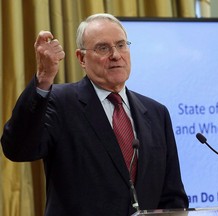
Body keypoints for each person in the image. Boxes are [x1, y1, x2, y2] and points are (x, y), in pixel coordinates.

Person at [1, 13, 188, 216]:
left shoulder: (156, 113)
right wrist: (44, 78)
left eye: (121, 45)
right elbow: (17, 149)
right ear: (81, 58)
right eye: (103, 48)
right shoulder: (59, 102)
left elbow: (172, 197)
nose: (115, 55)